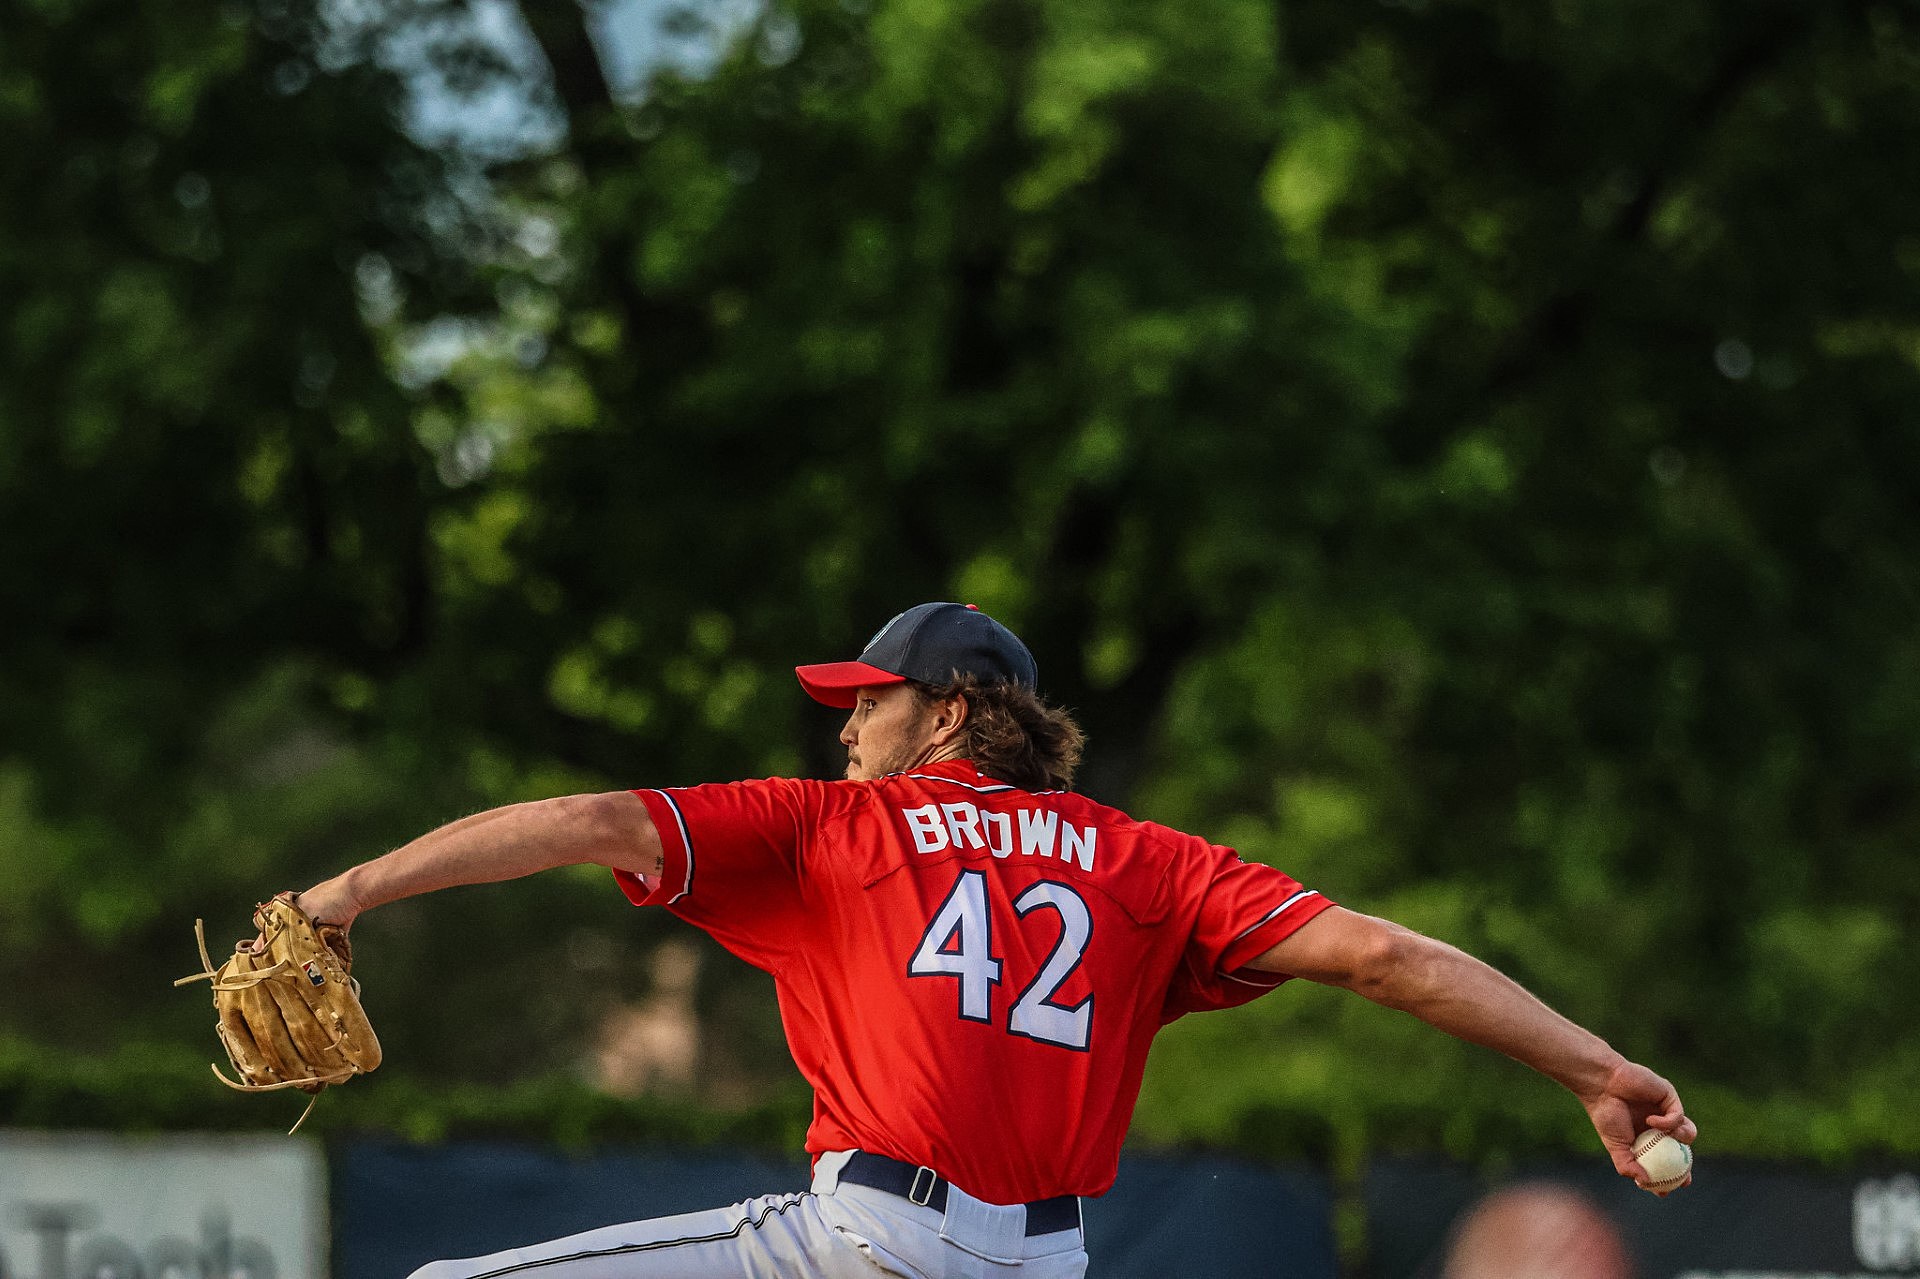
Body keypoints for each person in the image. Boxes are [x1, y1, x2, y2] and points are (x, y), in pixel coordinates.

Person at [292, 602, 1696, 1279]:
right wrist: (1593, 1068)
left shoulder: (835, 829)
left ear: (950, 714)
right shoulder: (1151, 865)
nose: (847, 724)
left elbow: (595, 820)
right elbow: (1392, 958)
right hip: (1046, 1267)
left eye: (871, 700)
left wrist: (350, 891)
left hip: (874, 1243)